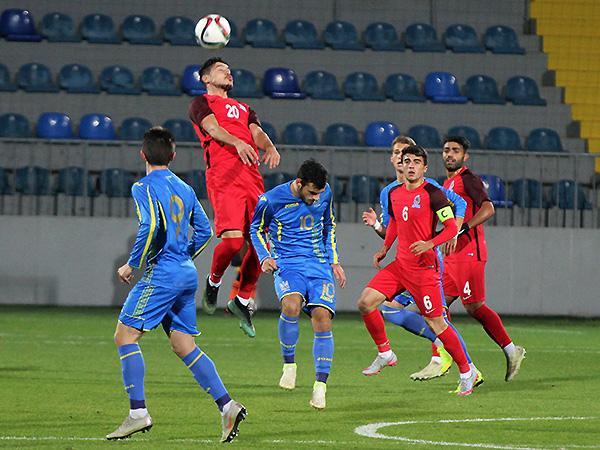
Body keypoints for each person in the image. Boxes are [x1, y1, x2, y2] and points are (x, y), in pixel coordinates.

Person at [107, 127, 246, 443]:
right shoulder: (184, 188)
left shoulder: (142, 186)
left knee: (125, 336)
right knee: (184, 345)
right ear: (173, 155)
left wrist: (133, 263)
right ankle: (227, 406)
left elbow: (150, 224)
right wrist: (183, 255)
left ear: (142, 154)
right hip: (185, 273)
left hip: (164, 273)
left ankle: (138, 413)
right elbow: (205, 231)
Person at [357, 145, 478, 396]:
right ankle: (385, 353)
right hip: (400, 266)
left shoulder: (434, 194)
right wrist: (385, 248)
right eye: (407, 161)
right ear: (401, 165)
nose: (411, 166)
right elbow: (395, 224)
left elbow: (450, 228)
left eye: (416, 162)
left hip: (424, 269)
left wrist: (430, 244)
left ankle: (467, 371)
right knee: (366, 303)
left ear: (425, 167)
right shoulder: (394, 193)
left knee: (436, 322)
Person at [189, 57, 280, 337]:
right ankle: (214, 281)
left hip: (252, 178)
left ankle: (241, 300)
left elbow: (257, 133)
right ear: (205, 78)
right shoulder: (201, 103)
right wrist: (238, 142)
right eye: (220, 70)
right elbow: (213, 128)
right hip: (224, 176)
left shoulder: (244, 108)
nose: (228, 73)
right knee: (232, 242)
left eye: (229, 70)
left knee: (262, 245)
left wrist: (270, 146)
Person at [250, 159, 346, 409]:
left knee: (322, 317)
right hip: (288, 263)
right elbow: (255, 229)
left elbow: (329, 225)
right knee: (291, 306)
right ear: (299, 183)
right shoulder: (271, 200)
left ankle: (320, 387)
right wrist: (265, 257)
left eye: (319, 193)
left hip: (318, 264)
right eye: (312, 193)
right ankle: (289, 365)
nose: (316, 198)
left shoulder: (325, 193)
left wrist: (334, 261)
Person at [441, 136, 526, 381]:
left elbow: (488, 208)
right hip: (452, 254)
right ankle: (452, 360)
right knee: (436, 306)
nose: (450, 154)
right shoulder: (447, 183)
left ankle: (511, 350)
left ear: (465, 156)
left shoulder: (469, 179)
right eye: (446, 150)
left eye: (455, 150)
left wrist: (463, 228)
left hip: (470, 253)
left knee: (474, 307)